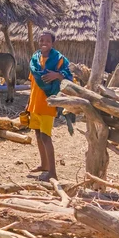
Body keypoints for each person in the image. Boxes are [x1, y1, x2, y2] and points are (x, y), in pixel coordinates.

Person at [26, 30, 72, 181]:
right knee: (38, 134)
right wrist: (28, 103)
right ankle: (44, 164)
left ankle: (53, 172)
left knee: (46, 137)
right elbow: (32, 82)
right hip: (35, 102)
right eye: (41, 41)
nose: (44, 43)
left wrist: (57, 75)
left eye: (47, 41)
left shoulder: (59, 60)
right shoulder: (34, 59)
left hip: (48, 103)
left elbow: (70, 75)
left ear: (52, 43)